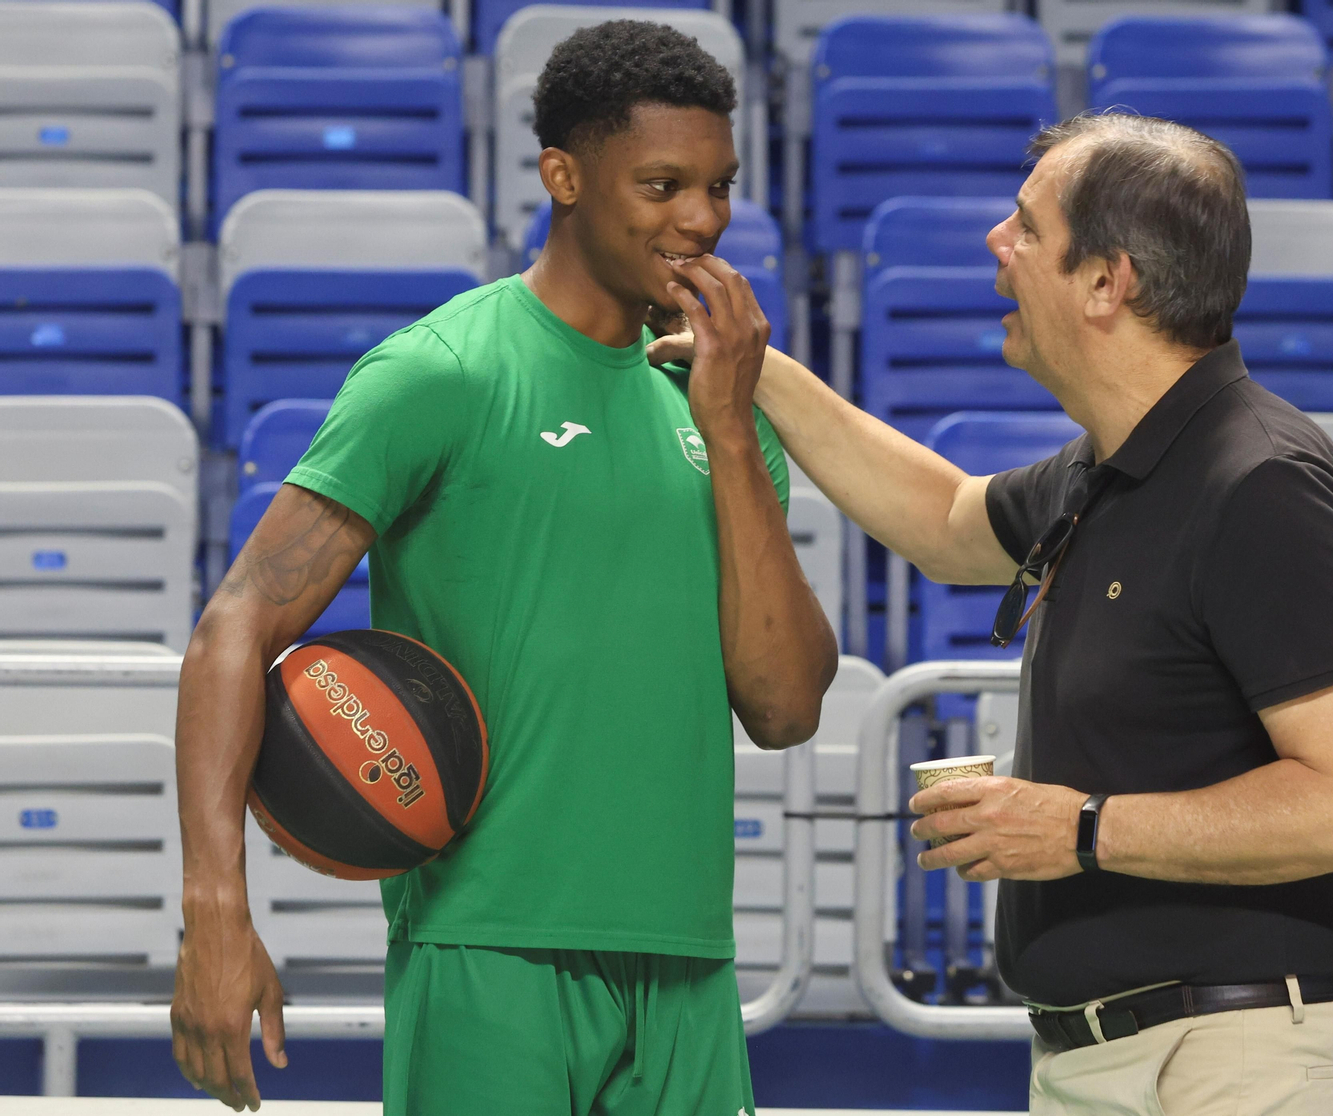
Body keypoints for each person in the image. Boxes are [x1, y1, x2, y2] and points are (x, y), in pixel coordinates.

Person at [658, 112, 1333, 1115]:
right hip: (1107, 1052)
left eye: (1025, 229)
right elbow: (940, 518)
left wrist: (1085, 829)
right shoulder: (1111, 464)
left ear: (1108, 284)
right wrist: (754, 366)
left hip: (1234, 1056)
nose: (994, 244)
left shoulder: (1260, 484)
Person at [170, 21, 837, 1115]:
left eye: (718, 185)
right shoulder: (443, 372)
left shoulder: (717, 400)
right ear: (562, 176)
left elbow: (784, 705)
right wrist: (216, 913)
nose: (702, 219)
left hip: (686, 958)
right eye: (663, 183)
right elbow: (234, 627)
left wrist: (727, 430)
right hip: (488, 953)